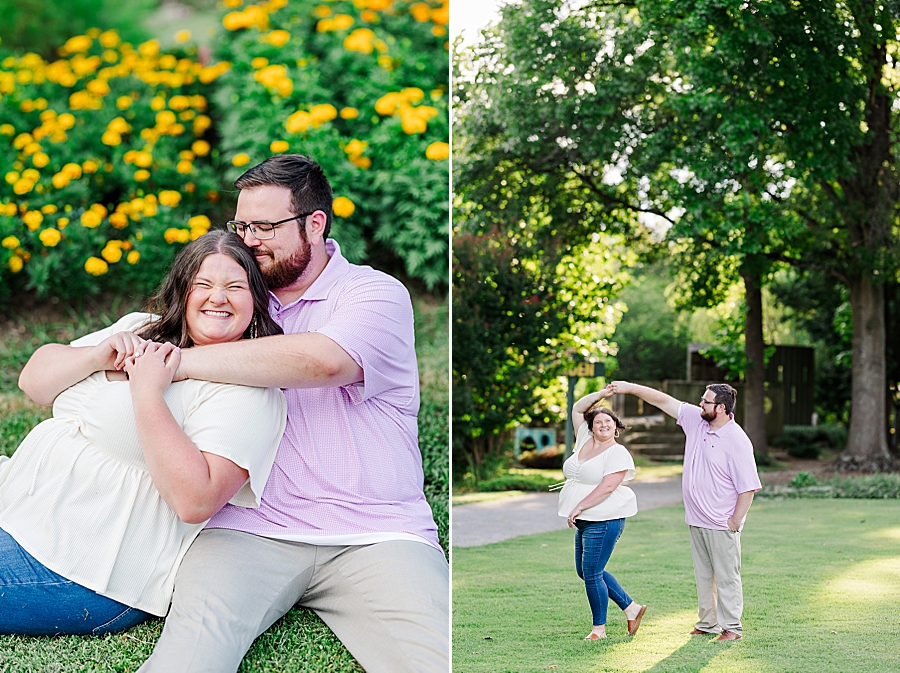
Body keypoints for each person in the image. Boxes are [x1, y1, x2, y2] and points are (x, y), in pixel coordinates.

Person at [134, 154, 448, 673]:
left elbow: (324, 362)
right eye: (242, 225)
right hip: (246, 530)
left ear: (315, 224)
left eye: (265, 226)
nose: (249, 239)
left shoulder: (374, 295)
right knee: (185, 661)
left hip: (375, 534)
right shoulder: (232, 303)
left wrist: (174, 364)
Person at [1, 230, 286, 635]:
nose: (218, 297)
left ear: (256, 300)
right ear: (182, 293)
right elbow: (34, 381)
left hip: (86, 567)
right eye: (202, 285)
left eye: (234, 287)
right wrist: (98, 355)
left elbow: (196, 500)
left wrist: (148, 393)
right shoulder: (144, 328)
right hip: (20, 506)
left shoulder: (250, 393)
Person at [606, 381, 761, 641]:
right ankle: (707, 623)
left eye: (706, 402)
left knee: (726, 577)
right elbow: (662, 400)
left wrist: (735, 520)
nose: (700, 404)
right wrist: (629, 388)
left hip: (722, 522)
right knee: (704, 576)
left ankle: (732, 627)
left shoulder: (737, 440)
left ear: (721, 408)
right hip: (697, 519)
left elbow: (748, 487)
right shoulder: (696, 421)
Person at [556, 388, 647, 640]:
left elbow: (608, 486)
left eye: (609, 421)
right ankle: (632, 608)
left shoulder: (617, 453)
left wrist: (578, 506)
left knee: (592, 572)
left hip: (605, 520)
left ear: (616, 427)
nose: (603, 425)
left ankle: (599, 629)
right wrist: (604, 392)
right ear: (591, 427)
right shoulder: (583, 439)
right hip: (586, 520)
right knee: (585, 571)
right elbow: (576, 408)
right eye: (598, 421)